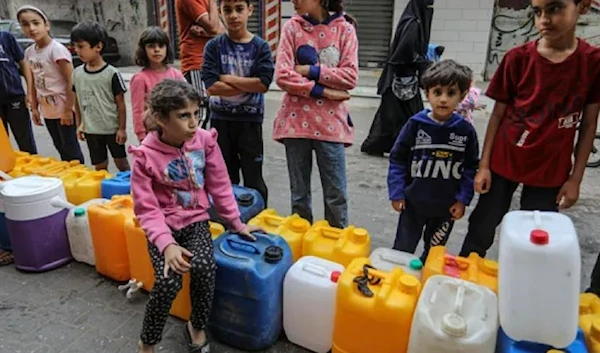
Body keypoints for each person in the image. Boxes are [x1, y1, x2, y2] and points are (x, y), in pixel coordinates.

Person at [459, 0, 600, 258]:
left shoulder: (592, 63)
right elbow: (497, 116)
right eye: (537, 11)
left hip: (551, 170)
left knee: (537, 238)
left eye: (555, 8)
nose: (544, 19)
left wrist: (575, 179)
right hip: (505, 160)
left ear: (583, 6)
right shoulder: (518, 59)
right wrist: (484, 166)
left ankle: (525, 284)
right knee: (482, 225)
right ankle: (466, 274)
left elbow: (589, 124)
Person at [131, 79, 261, 353]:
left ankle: (196, 326)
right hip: (162, 229)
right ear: (160, 119)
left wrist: (235, 223)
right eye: (183, 116)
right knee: (168, 282)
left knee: (204, 267)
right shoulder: (144, 157)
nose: (193, 123)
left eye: (196, 114)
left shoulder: (204, 141)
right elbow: (146, 208)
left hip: (195, 221)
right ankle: (148, 341)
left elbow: (220, 185)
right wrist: (167, 246)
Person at [272, 0, 359, 228]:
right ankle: (301, 245)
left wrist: (310, 70)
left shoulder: (345, 29)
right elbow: (282, 75)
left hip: (332, 127)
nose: (293, 1)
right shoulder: (291, 27)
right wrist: (324, 90)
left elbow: (350, 76)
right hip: (295, 124)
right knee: (299, 197)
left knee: (335, 195)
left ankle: (337, 246)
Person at [388, 60, 479, 262]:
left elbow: (471, 167)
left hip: (445, 208)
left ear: (462, 96)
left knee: (433, 254)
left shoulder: (465, 131)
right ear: (427, 93)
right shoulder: (415, 125)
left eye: (451, 93)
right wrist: (397, 192)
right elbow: (398, 159)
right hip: (413, 203)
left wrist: (462, 199)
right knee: (401, 251)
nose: (443, 100)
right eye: (437, 92)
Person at [202, 0, 274, 205]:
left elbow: (263, 84)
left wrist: (227, 78)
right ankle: (229, 221)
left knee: (253, 178)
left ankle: (256, 218)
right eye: (227, 10)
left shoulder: (260, 47)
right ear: (220, 12)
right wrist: (249, 84)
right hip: (221, 121)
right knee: (225, 177)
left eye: (239, 9)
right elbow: (211, 86)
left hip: (250, 122)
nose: (233, 15)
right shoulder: (214, 46)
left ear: (250, 10)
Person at [361, 0, 434, 157]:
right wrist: (423, 64)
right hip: (401, 79)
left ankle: (384, 145)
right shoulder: (413, 24)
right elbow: (405, 52)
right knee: (407, 115)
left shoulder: (411, 22)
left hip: (399, 79)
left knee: (391, 116)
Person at [17, 5, 84, 163]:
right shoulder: (29, 52)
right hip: (47, 109)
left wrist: (68, 110)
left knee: (70, 148)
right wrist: (34, 107)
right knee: (60, 147)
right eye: (25, 24)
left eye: (35, 23)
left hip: (63, 107)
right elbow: (32, 81)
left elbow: (71, 80)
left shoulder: (56, 50)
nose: (31, 28)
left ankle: (80, 179)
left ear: (46, 25)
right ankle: (69, 180)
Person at [70, 20, 129, 171]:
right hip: (91, 130)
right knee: (100, 166)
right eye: (75, 46)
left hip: (112, 130)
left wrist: (122, 128)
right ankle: (105, 193)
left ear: (98, 47)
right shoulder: (77, 74)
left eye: (81, 46)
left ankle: (131, 191)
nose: (77, 50)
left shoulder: (112, 74)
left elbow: (121, 103)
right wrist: (79, 125)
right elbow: (77, 101)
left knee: (122, 164)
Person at [175, 0, 226, 128]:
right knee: (200, 109)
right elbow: (214, 28)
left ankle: (202, 145)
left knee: (210, 109)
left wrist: (208, 32)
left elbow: (223, 31)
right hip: (196, 62)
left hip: (209, 61)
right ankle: (194, 147)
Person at [131, 26, 185, 142]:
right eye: (151, 46)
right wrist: (141, 135)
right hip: (152, 133)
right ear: (143, 49)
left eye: (161, 46)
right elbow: (137, 110)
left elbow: (185, 102)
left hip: (175, 130)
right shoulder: (140, 78)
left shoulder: (176, 75)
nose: (157, 50)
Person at [0, 29, 37, 154]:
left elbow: (23, 62)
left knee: (25, 140)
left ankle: (34, 170)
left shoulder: (6, 37)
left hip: (14, 96)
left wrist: (30, 92)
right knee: (2, 144)